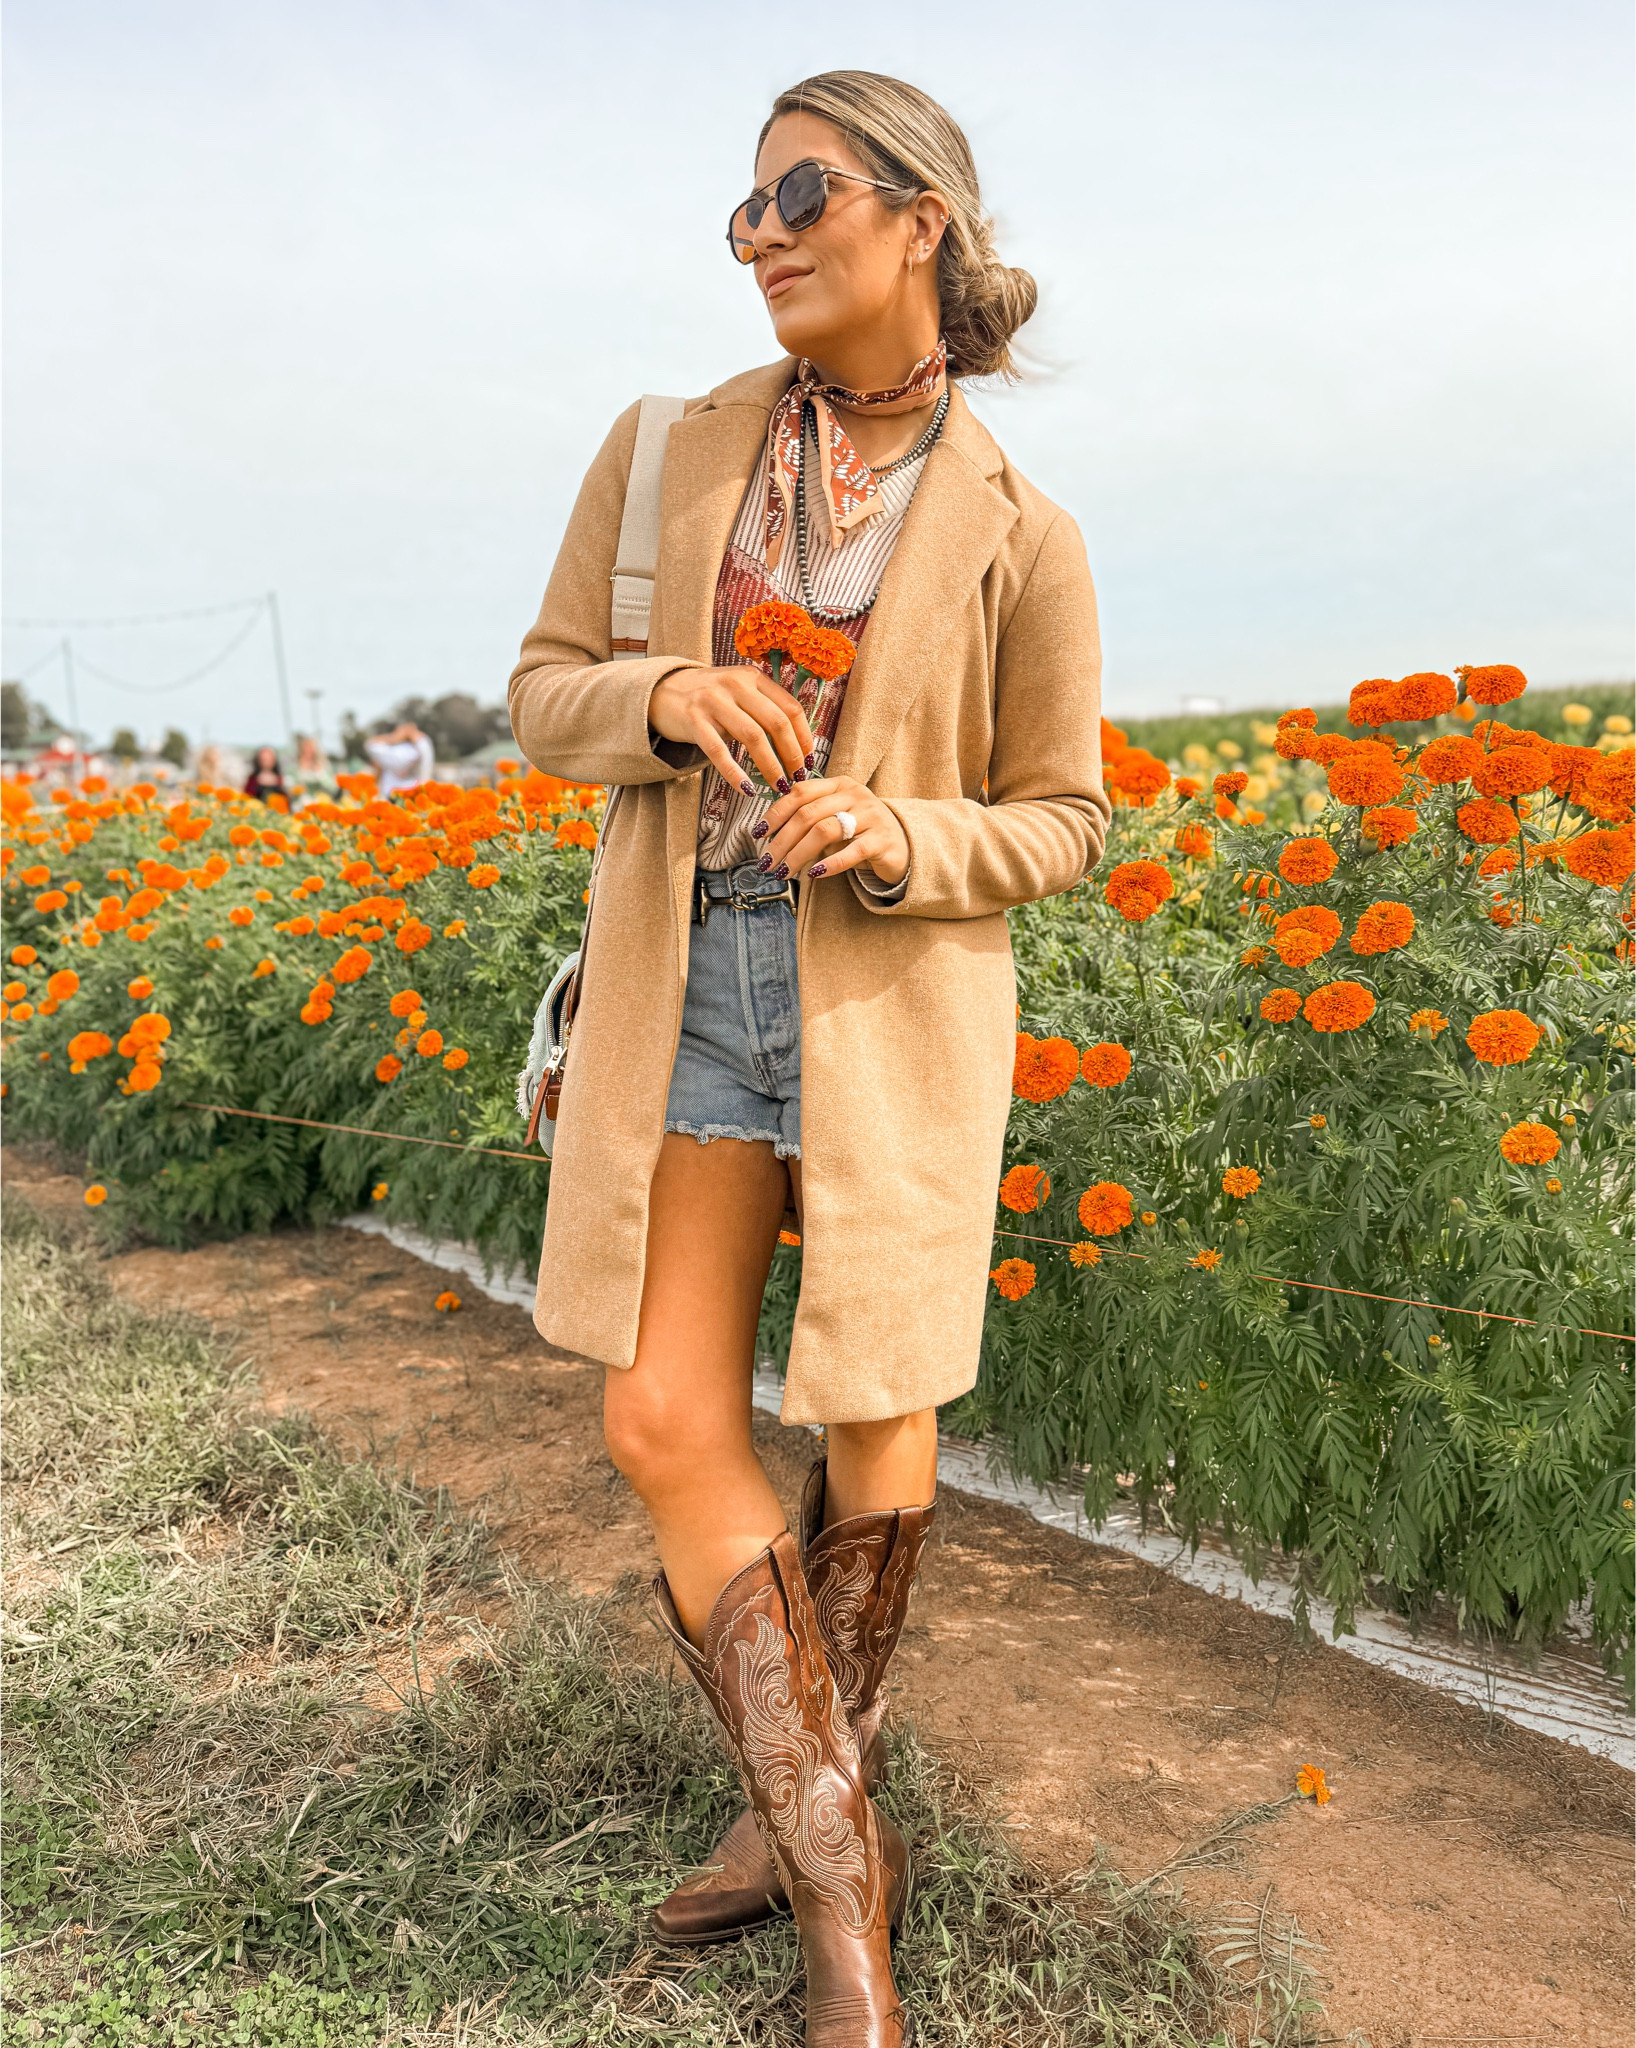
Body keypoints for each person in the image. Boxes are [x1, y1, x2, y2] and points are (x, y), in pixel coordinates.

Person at [508, 71, 1107, 2046]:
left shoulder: (1021, 528)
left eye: (799, 194)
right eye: (744, 208)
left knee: (870, 1411)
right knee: (661, 1415)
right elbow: (542, 694)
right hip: (687, 984)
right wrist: (668, 692)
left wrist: (899, 828)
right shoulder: (663, 452)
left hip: (889, 1011)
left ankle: (806, 1864)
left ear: (918, 215)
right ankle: (851, 1865)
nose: (756, 234)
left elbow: (1059, 818)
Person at [364, 720, 435, 795]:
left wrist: (393, 738)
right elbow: (424, 743)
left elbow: (370, 744)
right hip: (405, 794)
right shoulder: (415, 748)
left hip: (402, 794)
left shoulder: (406, 751)